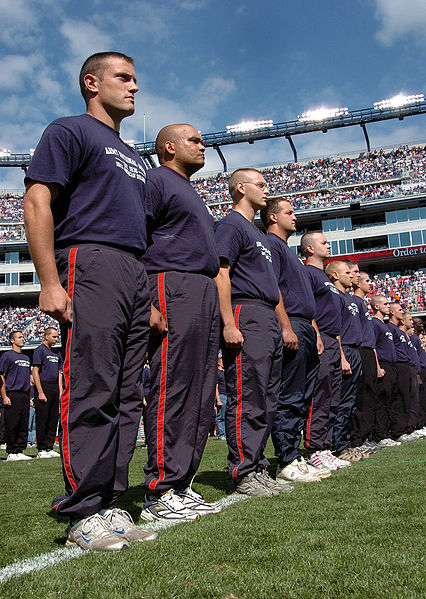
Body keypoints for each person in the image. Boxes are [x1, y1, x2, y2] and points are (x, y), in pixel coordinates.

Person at [23, 51, 159, 550]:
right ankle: (82, 511)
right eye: (124, 77)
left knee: (126, 394)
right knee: (94, 385)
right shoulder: (69, 130)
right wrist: (50, 281)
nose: (133, 87)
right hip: (89, 261)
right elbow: (37, 202)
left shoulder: (139, 160)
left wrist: (145, 294)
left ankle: (111, 504)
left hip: (133, 271)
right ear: (91, 82)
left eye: (135, 79)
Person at [141, 124, 222, 520]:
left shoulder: (191, 191)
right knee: (173, 383)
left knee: (201, 389)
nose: (202, 145)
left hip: (201, 289)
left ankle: (181, 483)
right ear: (169, 147)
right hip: (172, 283)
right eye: (193, 139)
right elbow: (135, 236)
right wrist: (145, 299)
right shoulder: (156, 179)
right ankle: (159, 488)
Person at [215, 168, 288, 497]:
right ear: (241, 188)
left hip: (267, 315)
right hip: (246, 312)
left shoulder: (258, 233)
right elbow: (221, 271)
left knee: (267, 397)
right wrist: (228, 322)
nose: (265, 189)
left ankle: (257, 465)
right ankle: (243, 469)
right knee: (248, 394)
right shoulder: (231, 224)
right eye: (260, 184)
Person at [261, 199, 329, 482]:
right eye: (289, 212)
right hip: (291, 324)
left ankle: (295, 454)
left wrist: (314, 331)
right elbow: (273, 286)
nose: (295, 217)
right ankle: (286, 458)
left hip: (304, 326)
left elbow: (306, 299)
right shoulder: (272, 245)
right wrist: (286, 326)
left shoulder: (291, 255)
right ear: (273, 217)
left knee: (302, 395)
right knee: (290, 394)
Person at [301, 233, 350, 471]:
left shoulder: (326, 278)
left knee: (332, 396)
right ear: (310, 248)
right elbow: (307, 308)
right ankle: (314, 448)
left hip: (333, 340)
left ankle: (326, 447)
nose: (328, 245)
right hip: (320, 339)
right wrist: (317, 335)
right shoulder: (308, 274)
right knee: (319, 395)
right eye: (323, 242)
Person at [325, 261, 363, 463]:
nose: (352, 276)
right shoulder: (336, 297)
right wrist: (342, 356)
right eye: (347, 272)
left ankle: (345, 444)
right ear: (335, 276)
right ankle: (338, 445)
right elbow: (336, 329)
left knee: (350, 402)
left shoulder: (350, 299)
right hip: (344, 350)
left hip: (354, 351)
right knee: (341, 401)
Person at [347, 268, 384, 454]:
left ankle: (368, 436)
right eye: (367, 280)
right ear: (358, 282)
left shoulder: (362, 304)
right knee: (361, 398)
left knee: (370, 396)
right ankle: (358, 438)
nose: (370, 283)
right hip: (360, 350)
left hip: (369, 351)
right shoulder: (353, 302)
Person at [369, 295, 400, 447]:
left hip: (392, 366)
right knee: (381, 401)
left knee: (389, 400)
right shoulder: (374, 323)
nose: (389, 307)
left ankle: (385, 432)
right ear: (376, 306)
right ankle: (379, 435)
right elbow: (372, 346)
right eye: (386, 304)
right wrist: (377, 367)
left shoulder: (385, 325)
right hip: (383, 365)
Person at [0, 331, 32, 461]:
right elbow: (1, 376)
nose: (22, 339)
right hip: (12, 393)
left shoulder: (26, 358)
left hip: (24, 395)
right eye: (19, 337)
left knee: (23, 423)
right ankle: (11, 451)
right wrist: (4, 396)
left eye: (23, 337)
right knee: (12, 423)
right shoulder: (7, 356)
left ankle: (19, 449)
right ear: (12, 341)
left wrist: (29, 397)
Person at [32, 327, 63, 458]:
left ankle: (49, 447)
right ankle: (41, 448)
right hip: (43, 386)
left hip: (54, 388)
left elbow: (59, 373)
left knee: (52, 419)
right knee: (42, 418)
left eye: (57, 337)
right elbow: (35, 371)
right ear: (46, 336)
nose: (56, 339)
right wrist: (40, 391)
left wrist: (60, 391)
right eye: (54, 337)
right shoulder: (39, 351)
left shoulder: (57, 353)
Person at [216, 355, 227, 440]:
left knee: (227, 415)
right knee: (221, 416)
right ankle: (221, 434)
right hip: (221, 395)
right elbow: (215, 387)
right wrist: (218, 399)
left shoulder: (225, 372)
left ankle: (226, 434)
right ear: (219, 363)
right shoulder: (217, 373)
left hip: (227, 395)